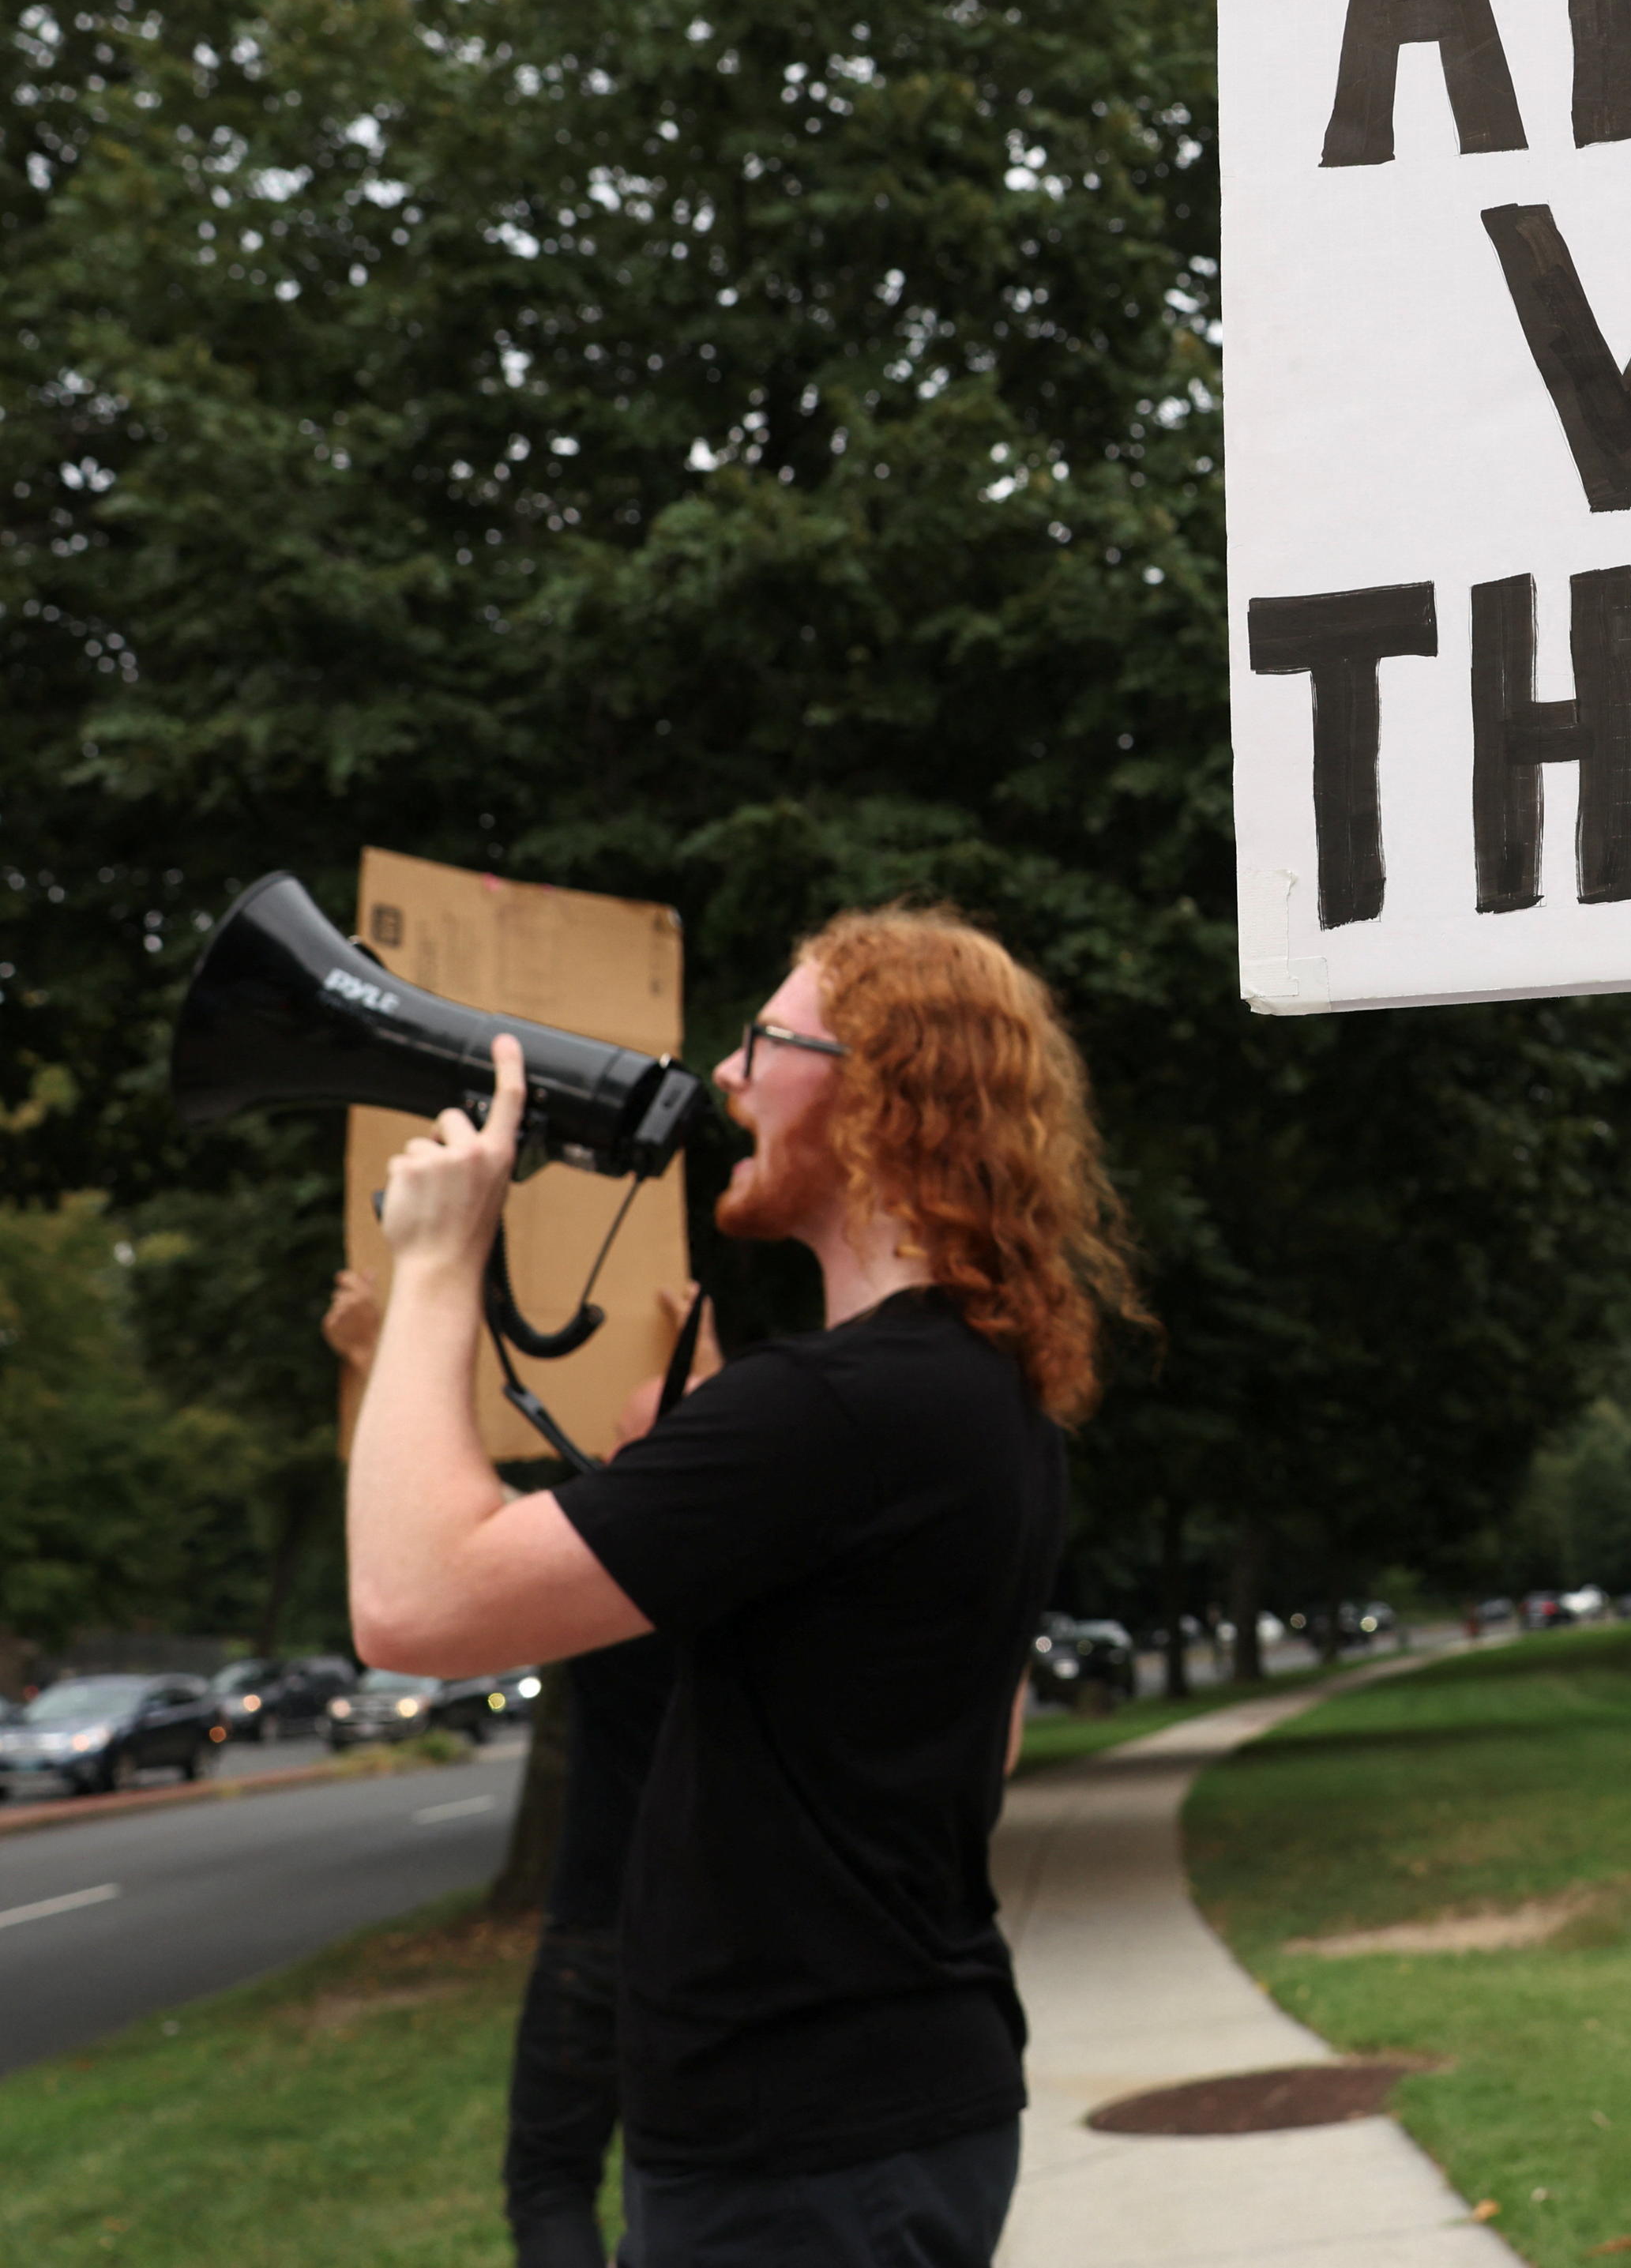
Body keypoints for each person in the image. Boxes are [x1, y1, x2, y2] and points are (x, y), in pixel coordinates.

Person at [350, 905, 1136, 2268]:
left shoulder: (841, 1407)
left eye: (766, 1037)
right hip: (884, 2111)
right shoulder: (980, 1391)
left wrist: (434, 1267)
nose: (723, 1071)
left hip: (802, 2149)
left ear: (880, 1090)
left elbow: (415, 1609)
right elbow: (983, 1737)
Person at [325, 1271, 719, 2268]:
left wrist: (381, 1356)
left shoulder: (601, 1569)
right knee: (707, 2185)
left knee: (550, 2185)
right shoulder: (766, 1563)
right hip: (725, 1936)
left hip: (599, 1928)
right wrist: (704, 1365)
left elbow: (434, 1535)